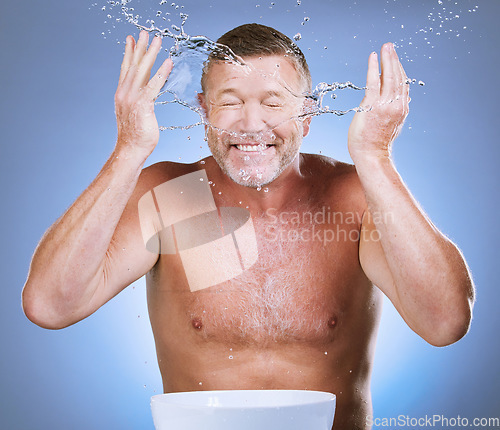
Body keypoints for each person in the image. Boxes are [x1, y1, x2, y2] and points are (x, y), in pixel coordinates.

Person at [22, 23, 475, 429]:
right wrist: (128, 149)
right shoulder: (175, 195)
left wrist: (376, 159)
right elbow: (50, 305)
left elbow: (445, 322)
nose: (251, 124)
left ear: (309, 112)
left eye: (273, 102)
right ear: (204, 110)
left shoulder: (352, 197)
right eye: (230, 102)